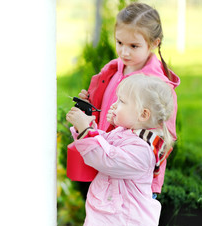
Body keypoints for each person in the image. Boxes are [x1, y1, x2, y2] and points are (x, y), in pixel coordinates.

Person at [77, 2, 180, 194]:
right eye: (119, 43)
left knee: (130, 222)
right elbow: (109, 108)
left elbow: (163, 137)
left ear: (154, 43)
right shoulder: (114, 70)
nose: (124, 51)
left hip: (135, 180)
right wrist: (91, 103)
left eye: (134, 46)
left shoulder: (156, 86)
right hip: (108, 167)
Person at [66, 74, 174, 226]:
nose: (114, 105)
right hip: (124, 224)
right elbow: (104, 143)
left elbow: (106, 159)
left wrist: (85, 131)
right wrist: (87, 127)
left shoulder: (143, 150)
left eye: (121, 101)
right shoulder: (125, 133)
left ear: (143, 115)